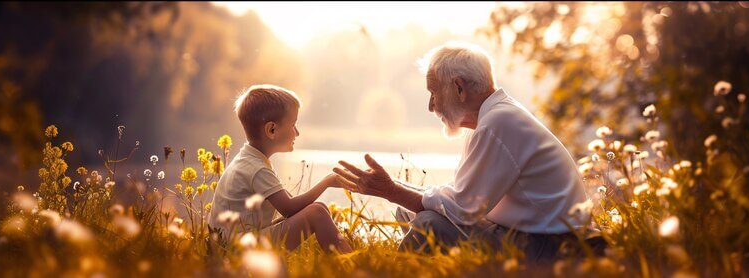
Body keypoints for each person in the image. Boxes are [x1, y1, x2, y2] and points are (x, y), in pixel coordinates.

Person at [334, 41, 588, 263]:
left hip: (551, 248)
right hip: (532, 238)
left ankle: (387, 272)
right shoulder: (492, 119)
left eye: (434, 92)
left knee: (428, 225)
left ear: (459, 88)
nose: (430, 105)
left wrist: (390, 190)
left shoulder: (496, 123)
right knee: (408, 211)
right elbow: (459, 199)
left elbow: (462, 209)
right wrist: (393, 188)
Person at [209, 84, 352, 253]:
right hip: (237, 249)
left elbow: (293, 209)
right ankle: (349, 265)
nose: (297, 133)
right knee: (317, 214)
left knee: (319, 209)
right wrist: (327, 182)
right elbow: (289, 209)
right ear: (272, 130)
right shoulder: (256, 168)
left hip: (233, 243)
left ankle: (348, 261)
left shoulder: (251, 160)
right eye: (293, 125)